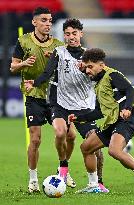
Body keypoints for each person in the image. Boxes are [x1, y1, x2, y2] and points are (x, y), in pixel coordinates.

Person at [24, 19, 109, 193]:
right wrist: (35, 82)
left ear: (81, 34)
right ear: (64, 35)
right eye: (68, 34)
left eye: (74, 33)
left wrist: (85, 69)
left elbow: (99, 77)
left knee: (94, 145)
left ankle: (98, 183)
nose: (71, 37)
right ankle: (63, 166)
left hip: (84, 107)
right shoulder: (59, 52)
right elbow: (48, 72)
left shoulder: (89, 56)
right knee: (60, 132)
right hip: (61, 104)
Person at [68, 48, 134, 195]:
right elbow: (98, 112)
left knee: (114, 151)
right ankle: (93, 185)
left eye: (90, 67)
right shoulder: (99, 84)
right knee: (86, 147)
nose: (87, 70)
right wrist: (79, 117)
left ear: (101, 65)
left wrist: (127, 108)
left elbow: (130, 90)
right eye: (86, 67)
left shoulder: (112, 75)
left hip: (125, 121)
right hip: (112, 122)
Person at [10, 7, 76, 193]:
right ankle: (33, 180)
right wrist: (24, 63)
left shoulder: (57, 44)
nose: (48, 24)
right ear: (34, 22)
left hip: (56, 97)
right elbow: (13, 67)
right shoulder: (23, 41)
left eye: (50, 20)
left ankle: (63, 169)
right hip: (34, 97)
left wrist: (57, 62)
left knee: (70, 136)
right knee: (36, 139)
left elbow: (67, 69)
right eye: (44, 20)